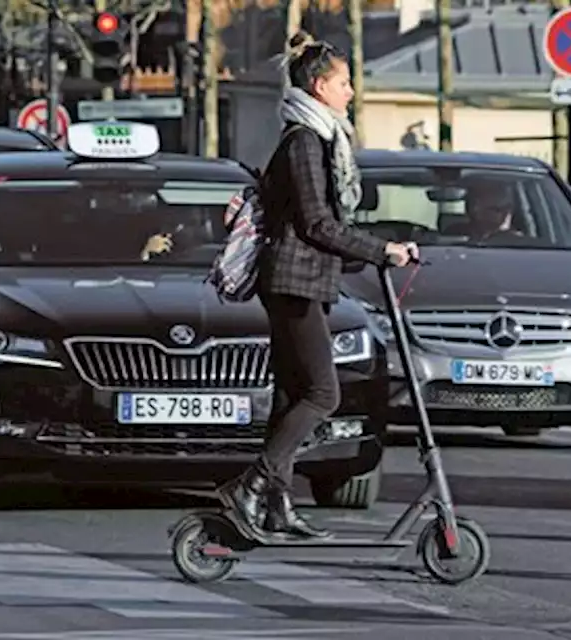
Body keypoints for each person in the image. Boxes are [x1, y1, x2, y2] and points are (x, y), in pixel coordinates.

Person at [217, 32, 419, 538]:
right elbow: (316, 224)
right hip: (293, 281)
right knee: (323, 394)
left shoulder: (317, 137)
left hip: (306, 280)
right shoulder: (305, 141)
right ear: (318, 85)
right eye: (344, 82)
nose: (351, 91)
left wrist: (379, 246)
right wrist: (381, 251)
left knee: (292, 395)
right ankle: (251, 485)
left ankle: (275, 506)